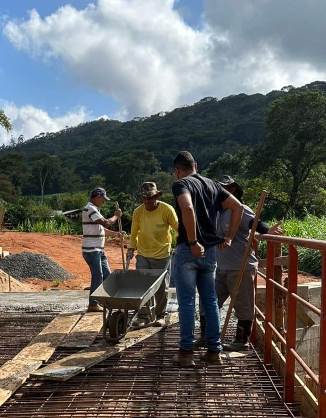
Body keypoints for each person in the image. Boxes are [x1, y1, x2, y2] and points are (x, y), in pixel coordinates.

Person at [196, 175, 283, 352]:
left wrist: (268, 231)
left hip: (240, 266)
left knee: (243, 305)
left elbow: (255, 224)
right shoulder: (215, 211)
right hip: (219, 267)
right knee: (207, 302)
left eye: (224, 188)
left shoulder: (239, 210)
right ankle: (205, 337)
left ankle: (240, 341)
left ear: (232, 190)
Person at [171, 151, 243, 366]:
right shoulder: (213, 185)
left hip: (188, 250)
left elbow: (187, 207)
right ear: (196, 164)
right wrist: (228, 237)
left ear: (177, 171)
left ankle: (186, 353)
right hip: (211, 251)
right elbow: (237, 207)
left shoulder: (181, 184)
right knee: (210, 301)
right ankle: (214, 352)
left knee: (186, 302)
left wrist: (193, 242)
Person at [127, 181, 178, 327]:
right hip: (143, 253)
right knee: (142, 284)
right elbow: (134, 232)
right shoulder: (138, 212)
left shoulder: (166, 210)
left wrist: (179, 244)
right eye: (145, 198)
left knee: (161, 287)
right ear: (142, 198)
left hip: (162, 254)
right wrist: (131, 247)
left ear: (156, 196)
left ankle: (160, 314)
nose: (148, 201)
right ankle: (143, 315)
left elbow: (177, 227)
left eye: (151, 197)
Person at [81, 187, 122, 313]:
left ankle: (104, 300)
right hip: (92, 250)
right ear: (97, 197)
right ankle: (93, 304)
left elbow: (101, 229)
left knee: (107, 276)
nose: (103, 202)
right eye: (103, 199)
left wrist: (116, 234)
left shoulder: (95, 210)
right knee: (98, 275)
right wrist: (116, 216)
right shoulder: (90, 209)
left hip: (99, 250)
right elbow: (106, 223)